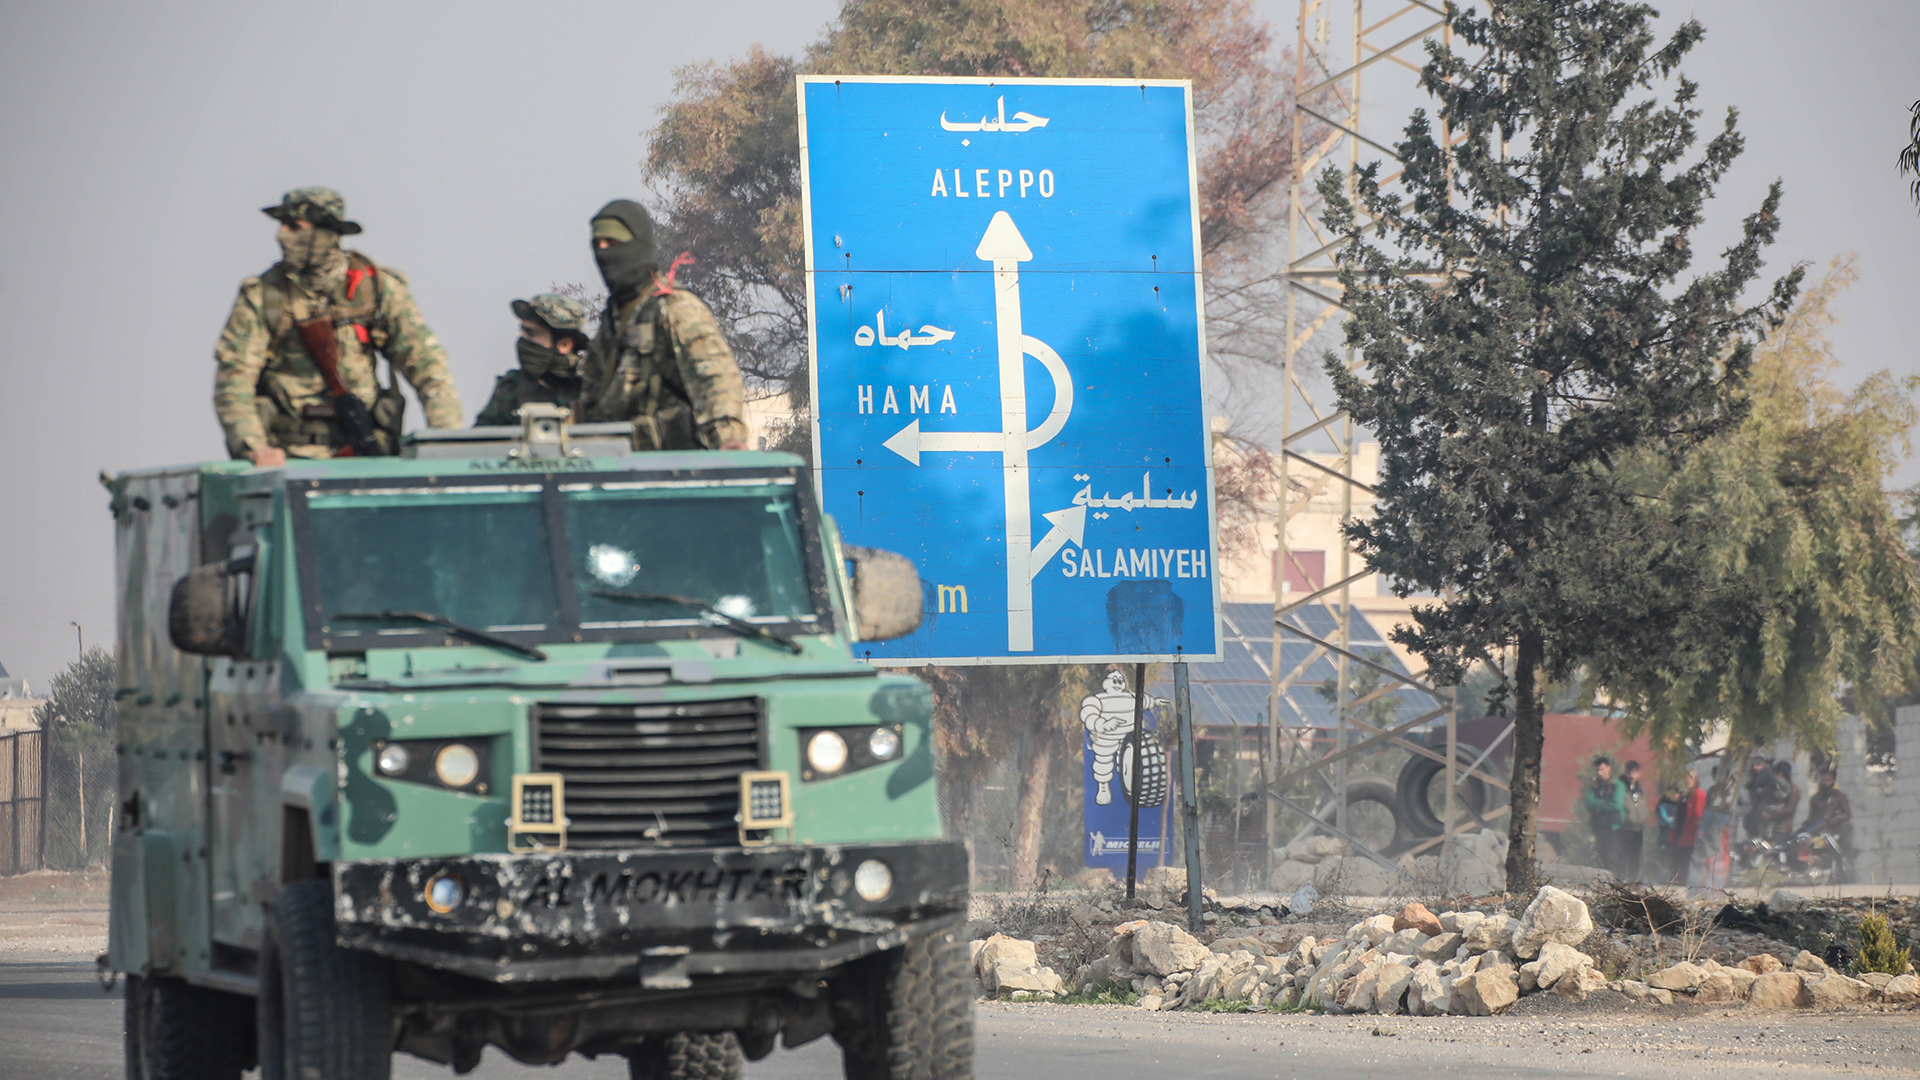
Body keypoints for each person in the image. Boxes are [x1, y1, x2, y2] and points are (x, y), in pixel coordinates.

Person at [214, 188, 462, 465]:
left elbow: (428, 365)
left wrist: (446, 440)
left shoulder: (376, 288)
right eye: (282, 225)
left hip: (366, 456)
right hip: (291, 459)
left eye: (294, 227)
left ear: (326, 234)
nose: (281, 235)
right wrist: (254, 448)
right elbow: (234, 378)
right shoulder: (264, 295)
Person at [579, 199, 749, 450]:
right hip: (618, 461)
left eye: (613, 243)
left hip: (674, 465)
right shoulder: (612, 319)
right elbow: (593, 395)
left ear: (637, 245)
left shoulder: (674, 307)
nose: (604, 252)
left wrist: (729, 439)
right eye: (597, 244)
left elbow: (715, 377)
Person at [474, 294, 592, 426]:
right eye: (522, 331)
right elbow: (483, 435)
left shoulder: (591, 387)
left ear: (564, 344)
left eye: (531, 333)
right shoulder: (513, 387)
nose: (522, 340)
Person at [1657, 768, 1708, 884]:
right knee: (1678, 857)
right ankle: (1678, 879)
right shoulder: (1687, 794)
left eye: (1691, 778)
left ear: (1696, 780)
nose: (1687, 780)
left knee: (1685, 859)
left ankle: (1684, 881)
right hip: (1682, 832)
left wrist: (1691, 831)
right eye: (1686, 778)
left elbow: (1698, 815)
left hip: (1690, 834)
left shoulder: (1698, 794)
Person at [1582, 756, 1628, 877]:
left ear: (1609, 769)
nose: (1599, 773)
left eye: (1602, 769)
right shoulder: (1594, 787)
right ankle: (1603, 881)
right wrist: (1605, 804)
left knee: (1613, 856)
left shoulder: (1617, 785)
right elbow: (1589, 803)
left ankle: (1615, 880)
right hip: (1598, 827)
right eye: (1597, 770)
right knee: (1600, 857)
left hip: (1614, 828)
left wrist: (1599, 806)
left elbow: (1616, 804)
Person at [1805, 767, 1853, 860]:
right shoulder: (1815, 798)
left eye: (1827, 780)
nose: (1824, 783)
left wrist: (1834, 820)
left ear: (1833, 781)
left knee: (1839, 857)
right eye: (1823, 780)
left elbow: (1846, 814)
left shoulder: (1839, 796)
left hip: (1836, 835)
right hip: (1818, 835)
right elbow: (1811, 818)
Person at [1619, 760, 1648, 881]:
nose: (1632, 775)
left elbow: (1643, 805)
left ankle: (1633, 881)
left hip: (1638, 829)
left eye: (1635, 772)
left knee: (1635, 857)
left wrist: (1643, 818)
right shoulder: (1621, 786)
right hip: (1625, 828)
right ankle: (1620, 880)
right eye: (1629, 772)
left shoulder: (1640, 788)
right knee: (1623, 856)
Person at [1767, 760, 1801, 840]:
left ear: (1781, 774)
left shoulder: (1793, 789)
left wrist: (1771, 814)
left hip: (1782, 830)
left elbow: (1790, 809)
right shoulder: (1777, 788)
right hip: (1771, 829)